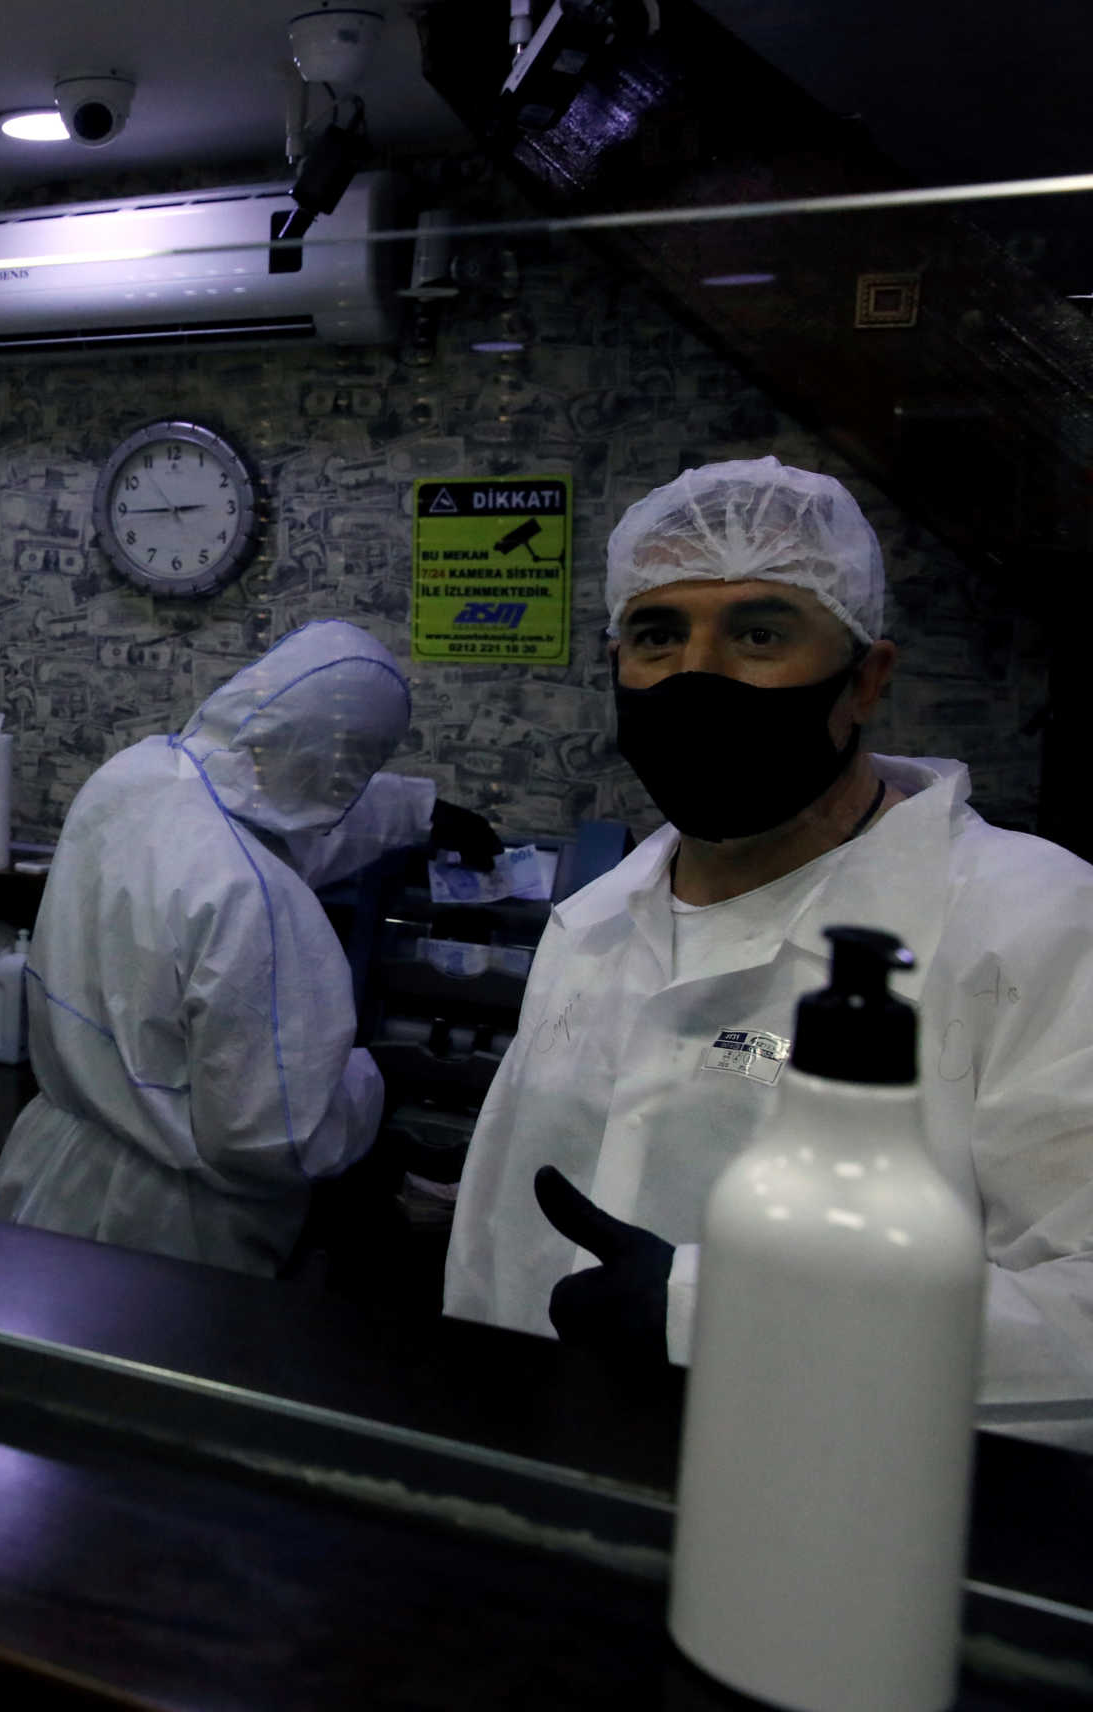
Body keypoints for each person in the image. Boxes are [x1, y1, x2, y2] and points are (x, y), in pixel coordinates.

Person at [444, 457, 1093, 1441]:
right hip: (555, 1480)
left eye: (758, 632)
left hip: (849, 1524)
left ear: (864, 678)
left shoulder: (1032, 922)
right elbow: (501, 1242)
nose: (698, 675)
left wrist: (716, 1314)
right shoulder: (594, 922)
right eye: (658, 635)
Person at [0, 620, 503, 1272]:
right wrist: (369, 1085)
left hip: (53, 1165)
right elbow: (271, 1140)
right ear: (347, 765)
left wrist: (418, 812)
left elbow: (276, 808)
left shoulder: (135, 776)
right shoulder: (256, 899)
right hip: (172, 1229)